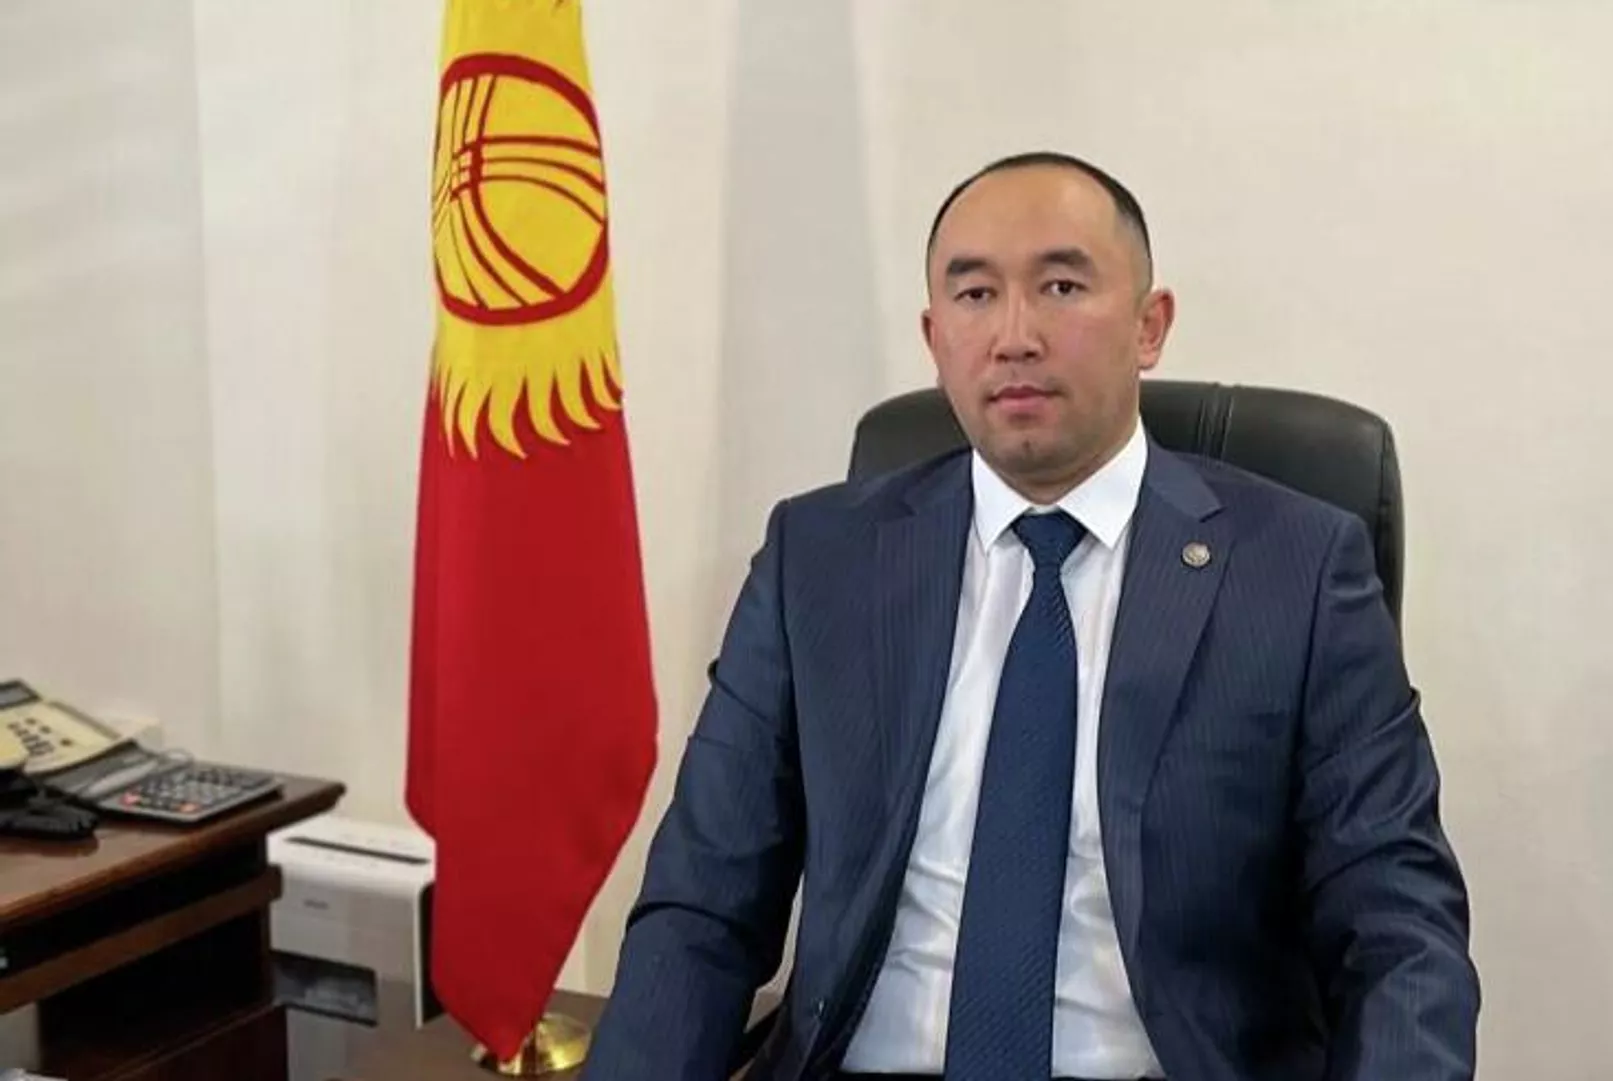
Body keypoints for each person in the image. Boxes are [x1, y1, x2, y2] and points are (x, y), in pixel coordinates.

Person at [583, 151, 1479, 1081]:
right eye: (975, 295)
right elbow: (703, 904)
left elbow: (1398, 923)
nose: (1014, 336)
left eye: (1061, 286)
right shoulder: (819, 560)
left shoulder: (1295, 568)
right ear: (935, 337)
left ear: (1150, 326)